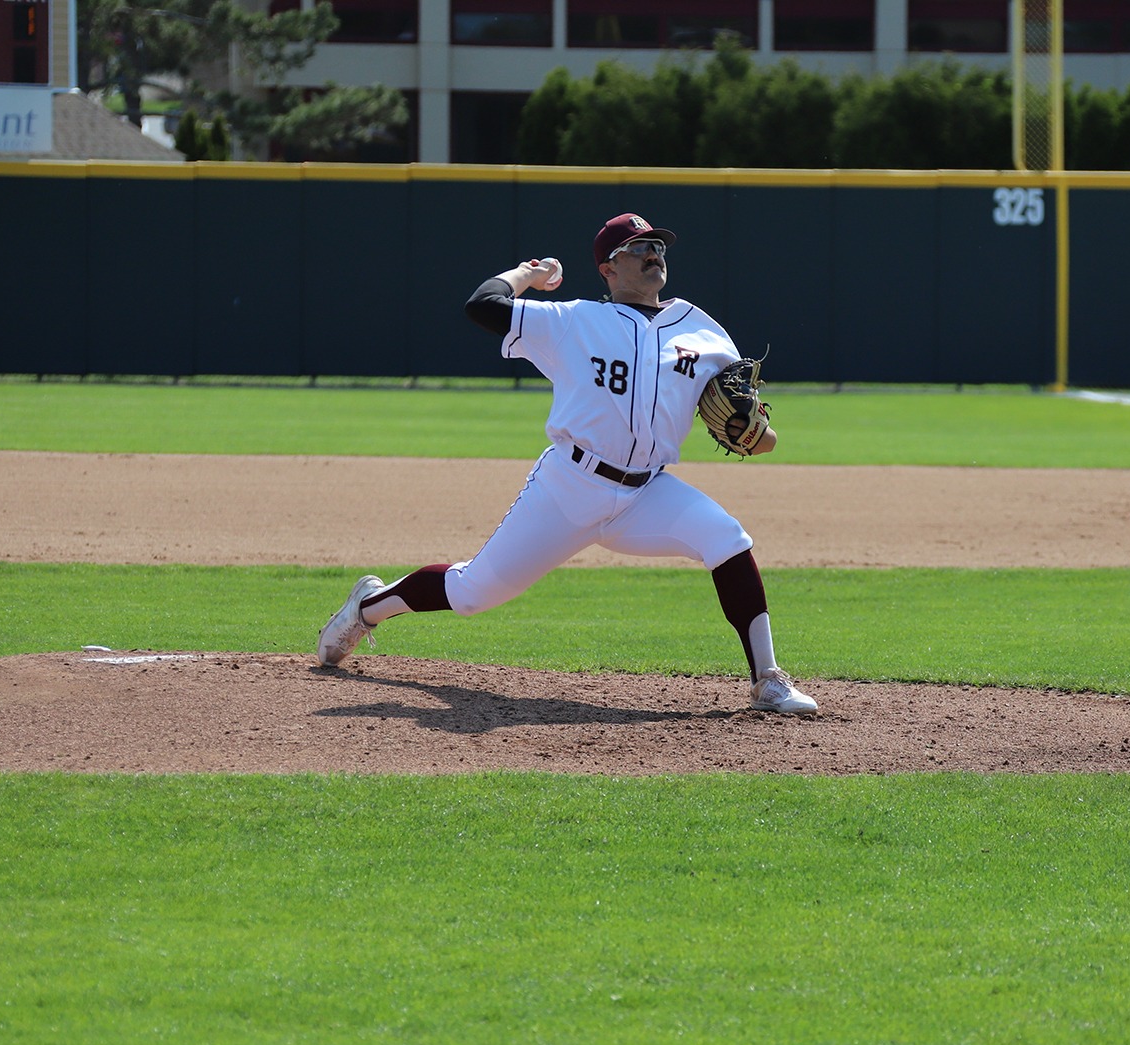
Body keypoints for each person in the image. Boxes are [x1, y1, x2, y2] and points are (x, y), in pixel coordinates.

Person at [316, 212, 819, 714]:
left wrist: (757, 436)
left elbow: (755, 431)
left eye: (658, 247)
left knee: (727, 538)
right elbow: (483, 305)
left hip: (646, 494)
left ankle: (767, 681)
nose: (653, 254)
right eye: (639, 248)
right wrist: (527, 274)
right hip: (569, 486)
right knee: (471, 593)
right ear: (608, 268)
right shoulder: (574, 321)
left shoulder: (704, 331)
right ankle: (368, 607)